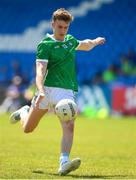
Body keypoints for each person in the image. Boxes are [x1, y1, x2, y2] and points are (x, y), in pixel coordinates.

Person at [10, 8, 105, 176]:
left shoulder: (70, 41)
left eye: (66, 27)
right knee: (27, 129)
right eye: (60, 27)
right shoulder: (45, 45)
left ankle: (64, 162)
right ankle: (25, 112)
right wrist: (40, 92)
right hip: (46, 90)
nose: (63, 31)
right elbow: (39, 71)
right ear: (52, 24)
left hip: (66, 92)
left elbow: (86, 44)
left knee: (69, 124)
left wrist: (96, 41)